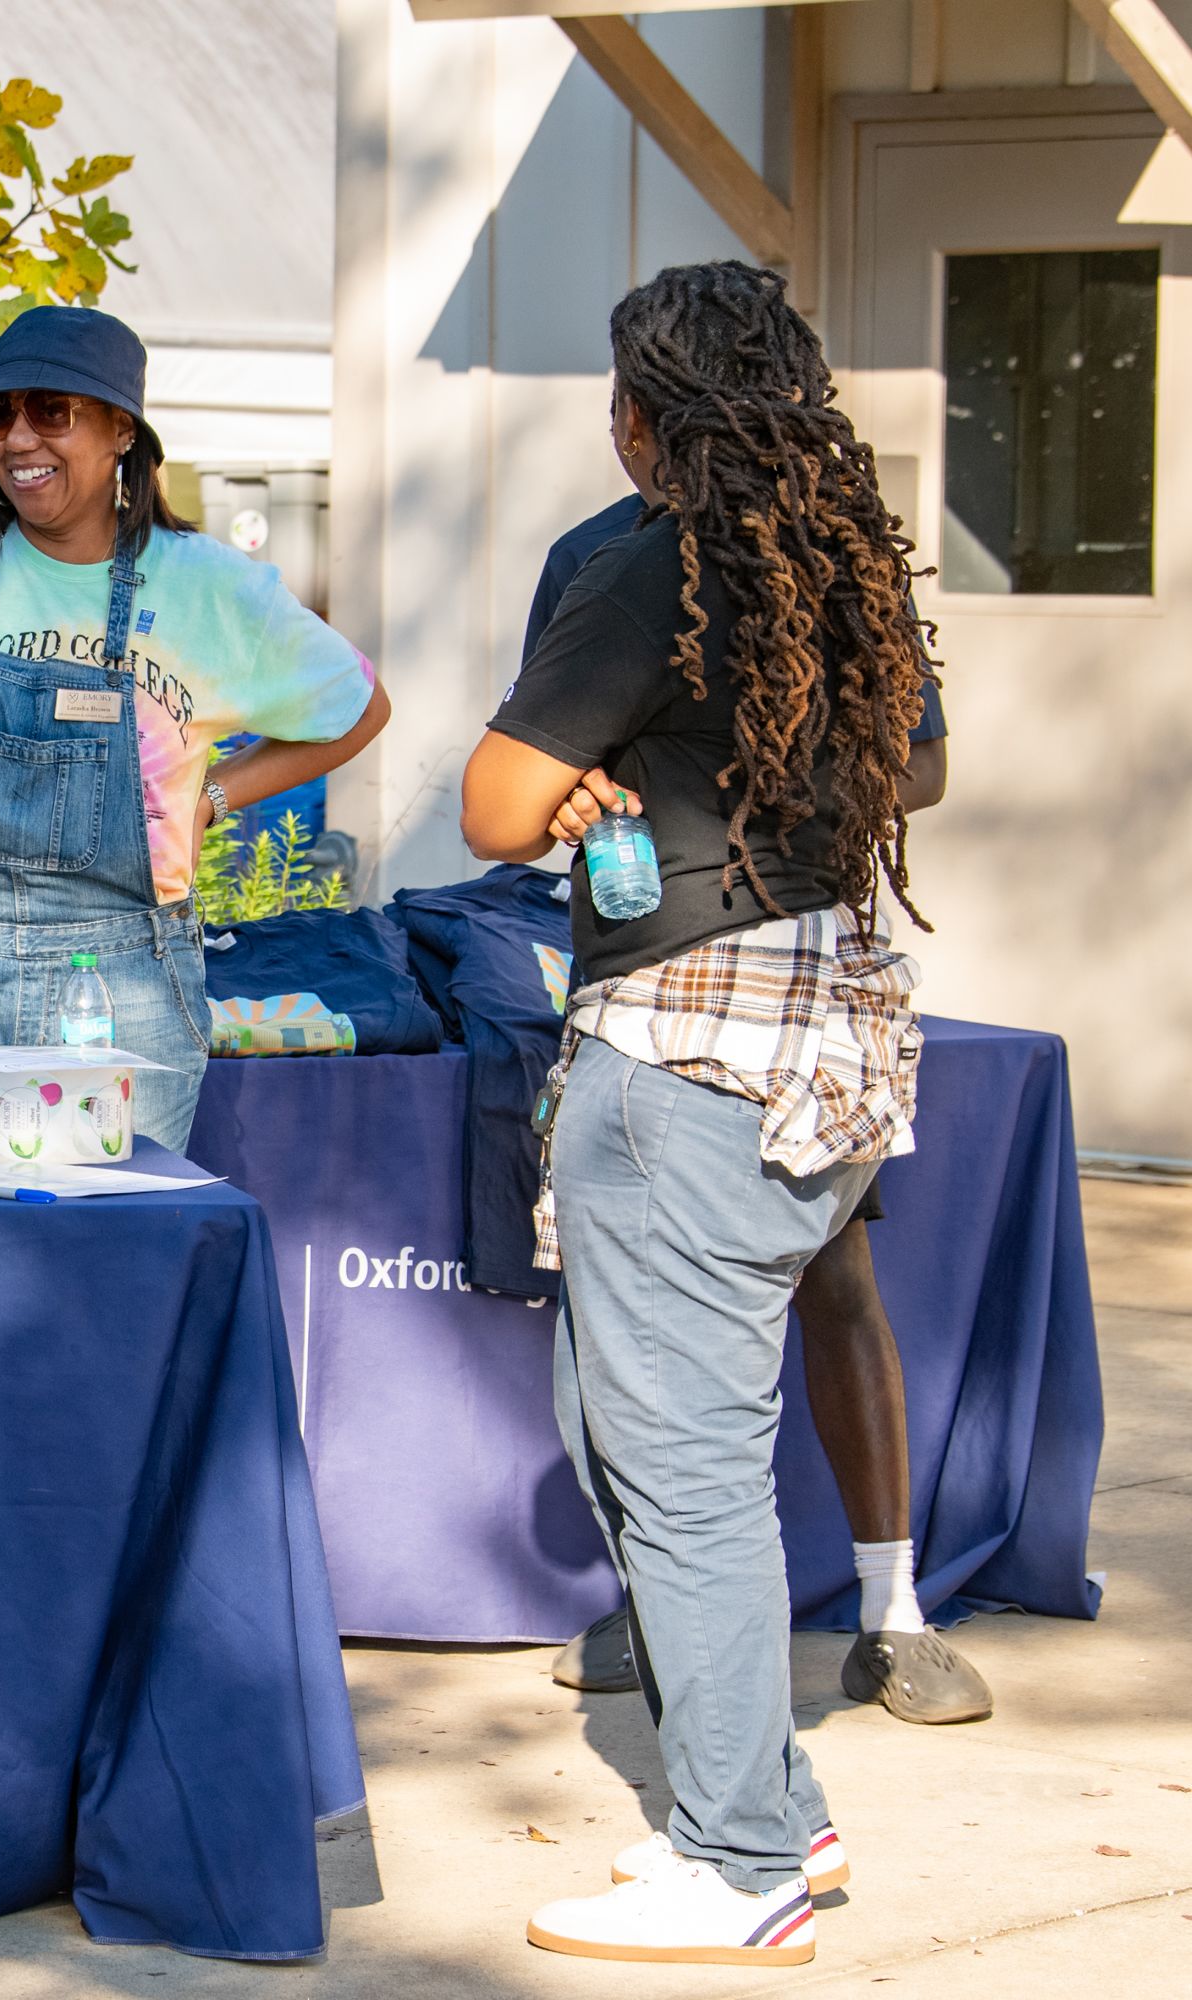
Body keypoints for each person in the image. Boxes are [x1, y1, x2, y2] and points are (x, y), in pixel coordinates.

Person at [462, 261, 938, 1966]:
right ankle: (779, 1803)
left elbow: (497, 802)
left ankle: (738, 1867)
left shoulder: (650, 562)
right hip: (822, 1037)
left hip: (691, 1052)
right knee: (625, 1432)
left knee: (680, 1465)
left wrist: (610, 772)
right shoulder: (840, 563)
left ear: (647, 414)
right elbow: (923, 763)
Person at [528, 496, 992, 1729]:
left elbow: (929, 762)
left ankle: (892, 1612)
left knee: (833, 1286)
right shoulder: (594, 558)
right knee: (619, 1346)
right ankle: (664, 1597)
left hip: (791, 992)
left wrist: (769, 770)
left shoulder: (836, 555)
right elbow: (535, 771)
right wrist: (578, 792)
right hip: (640, 982)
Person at [0, 306, 388, 1148]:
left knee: (109, 1256)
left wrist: (217, 797)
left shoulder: (208, 588)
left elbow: (357, 707)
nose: (18, 439)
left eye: (51, 410)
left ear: (122, 429)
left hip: (125, 991)